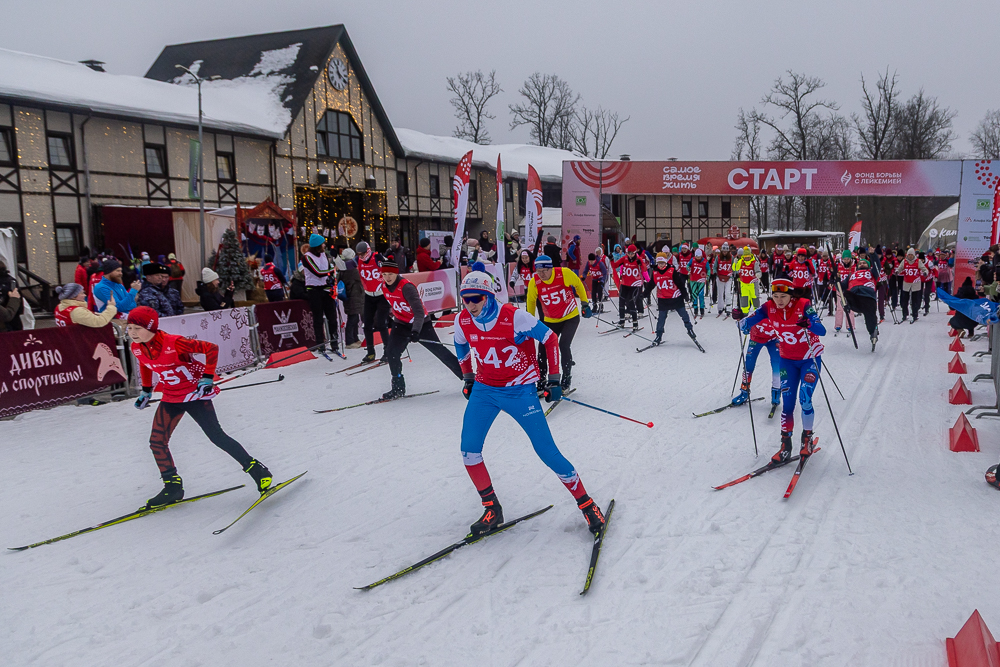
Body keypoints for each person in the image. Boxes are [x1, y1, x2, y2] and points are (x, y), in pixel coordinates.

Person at [453, 271, 606, 536]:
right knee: (469, 451)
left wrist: (554, 379)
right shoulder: (463, 319)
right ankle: (492, 508)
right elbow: (460, 344)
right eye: (465, 299)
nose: (471, 304)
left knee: (547, 451)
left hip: (519, 392)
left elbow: (549, 339)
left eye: (476, 298)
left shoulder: (515, 317)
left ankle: (587, 503)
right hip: (485, 390)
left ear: (488, 295)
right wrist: (467, 377)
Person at [126, 306, 274, 509]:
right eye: (129, 327)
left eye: (137, 328)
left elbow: (211, 348)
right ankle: (172, 487)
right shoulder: (137, 347)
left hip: (194, 395)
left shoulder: (174, 342)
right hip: (171, 397)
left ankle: (258, 470)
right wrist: (146, 391)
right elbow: (145, 363)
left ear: (151, 327)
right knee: (157, 441)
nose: (132, 332)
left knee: (217, 437)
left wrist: (206, 378)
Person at [739, 278, 826, 464]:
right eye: (775, 296)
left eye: (783, 296)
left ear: (791, 294)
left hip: (809, 359)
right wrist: (741, 320)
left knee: (805, 398)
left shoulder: (803, 305)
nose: (779, 300)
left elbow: (822, 330)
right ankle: (785, 446)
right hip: (787, 360)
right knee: (787, 405)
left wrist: (809, 323)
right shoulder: (768, 307)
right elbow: (747, 324)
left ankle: (807, 439)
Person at [379, 260, 463, 399]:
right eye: (385, 274)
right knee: (392, 353)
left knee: (440, 352)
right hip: (401, 323)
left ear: (397, 273)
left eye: (391, 274)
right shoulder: (384, 286)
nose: (388, 278)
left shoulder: (407, 287)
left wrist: (415, 331)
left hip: (421, 324)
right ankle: (398, 387)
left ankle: (469, 380)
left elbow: (418, 312)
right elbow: (392, 304)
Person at [525, 254, 593, 391]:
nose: (542, 274)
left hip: (570, 317)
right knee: (543, 348)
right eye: (539, 271)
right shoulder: (535, 282)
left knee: (563, 344)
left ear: (551, 268)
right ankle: (542, 378)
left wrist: (585, 303)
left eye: (544, 271)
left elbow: (578, 285)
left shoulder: (564, 273)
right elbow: (531, 301)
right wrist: (528, 322)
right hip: (551, 320)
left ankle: (566, 378)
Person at [731, 298, 781, 410]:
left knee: (777, 365)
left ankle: (776, 393)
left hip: (774, 340)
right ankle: (744, 392)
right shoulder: (761, 311)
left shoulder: (782, 313)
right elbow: (743, 324)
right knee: (749, 365)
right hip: (756, 339)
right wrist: (743, 325)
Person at [650, 251, 697, 347]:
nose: (661, 265)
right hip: (663, 298)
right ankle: (658, 336)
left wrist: (685, 294)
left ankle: (690, 330)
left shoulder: (672, 271)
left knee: (684, 315)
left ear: (666, 262)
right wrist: (645, 293)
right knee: (661, 318)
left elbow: (680, 283)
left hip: (676, 297)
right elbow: (651, 284)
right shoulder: (655, 272)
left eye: (662, 263)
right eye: (659, 263)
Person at [302, 234, 340, 355]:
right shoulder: (306, 257)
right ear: (317, 246)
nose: (324, 246)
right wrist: (332, 270)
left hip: (326, 289)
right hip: (314, 290)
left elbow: (328, 269)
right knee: (318, 319)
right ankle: (320, 344)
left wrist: (332, 276)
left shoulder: (324, 254)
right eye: (322, 244)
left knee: (332, 318)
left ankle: (334, 342)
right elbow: (318, 272)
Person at [356, 240, 391, 364]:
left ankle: (388, 352)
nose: (361, 256)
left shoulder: (376, 258)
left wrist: (385, 259)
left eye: (362, 253)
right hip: (369, 295)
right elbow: (347, 266)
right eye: (359, 254)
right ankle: (370, 353)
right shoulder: (359, 260)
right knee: (367, 324)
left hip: (381, 295)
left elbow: (391, 267)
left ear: (368, 250)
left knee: (381, 324)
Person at [841, 252, 880, 348]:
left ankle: (872, 332)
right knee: (845, 293)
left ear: (868, 266)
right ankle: (846, 305)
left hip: (867, 296)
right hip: (854, 297)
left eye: (864, 263)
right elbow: (841, 286)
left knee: (869, 318)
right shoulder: (851, 275)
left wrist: (873, 255)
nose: (862, 264)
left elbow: (877, 266)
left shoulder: (872, 273)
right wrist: (835, 281)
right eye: (860, 263)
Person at [612, 244, 647, 330]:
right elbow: (615, 266)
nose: (630, 255)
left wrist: (641, 264)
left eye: (632, 253)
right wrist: (611, 259)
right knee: (621, 301)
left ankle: (635, 322)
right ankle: (622, 320)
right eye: (629, 253)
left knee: (630, 301)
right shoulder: (624, 258)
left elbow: (644, 269)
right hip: (624, 284)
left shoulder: (638, 259)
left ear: (635, 253)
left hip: (634, 285)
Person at [339, 248, 364, 348]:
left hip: (350, 295)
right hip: (354, 295)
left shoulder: (343, 267)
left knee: (354, 317)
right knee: (353, 318)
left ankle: (355, 338)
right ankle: (349, 340)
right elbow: (360, 278)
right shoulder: (351, 269)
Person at [896, 248, 924, 323]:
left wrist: (925, 272)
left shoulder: (918, 261)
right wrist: (897, 271)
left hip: (915, 282)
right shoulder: (904, 261)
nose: (910, 256)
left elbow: (924, 268)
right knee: (904, 299)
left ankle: (915, 314)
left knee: (915, 300)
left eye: (911, 255)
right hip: (906, 282)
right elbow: (900, 268)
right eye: (909, 255)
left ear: (914, 255)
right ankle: (904, 314)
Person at [732, 246, 761, 315]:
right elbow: (735, 268)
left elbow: (758, 271)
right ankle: (745, 314)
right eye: (746, 256)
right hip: (743, 284)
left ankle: (757, 313)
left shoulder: (754, 262)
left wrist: (758, 274)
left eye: (748, 256)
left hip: (752, 284)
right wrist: (735, 263)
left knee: (755, 298)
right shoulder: (741, 262)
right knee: (744, 300)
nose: (747, 258)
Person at [714, 243, 735, 317]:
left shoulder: (731, 257)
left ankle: (728, 308)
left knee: (727, 293)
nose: (724, 253)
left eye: (726, 251)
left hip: (728, 277)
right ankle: (720, 308)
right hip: (720, 277)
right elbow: (715, 266)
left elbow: (734, 266)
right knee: (720, 293)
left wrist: (735, 273)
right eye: (723, 251)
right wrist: (714, 272)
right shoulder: (718, 257)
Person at [688, 248, 709, 318]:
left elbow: (708, 269)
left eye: (699, 257)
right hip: (693, 279)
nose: (697, 258)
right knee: (694, 294)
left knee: (700, 294)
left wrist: (708, 275)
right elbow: (688, 265)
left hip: (701, 280)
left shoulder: (705, 261)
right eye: (696, 256)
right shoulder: (693, 259)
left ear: (701, 256)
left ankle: (702, 308)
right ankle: (695, 308)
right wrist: (688, 268)